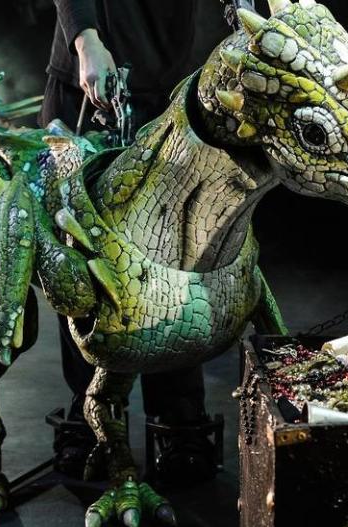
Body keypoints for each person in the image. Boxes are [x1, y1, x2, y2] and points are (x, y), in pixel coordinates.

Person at [39, 0, 230, 484]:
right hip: (87, 78)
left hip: (168, 84)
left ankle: (179, 416)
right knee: (82, 256)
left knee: (177, 254)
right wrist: (86, 41)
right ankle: (90, 414)